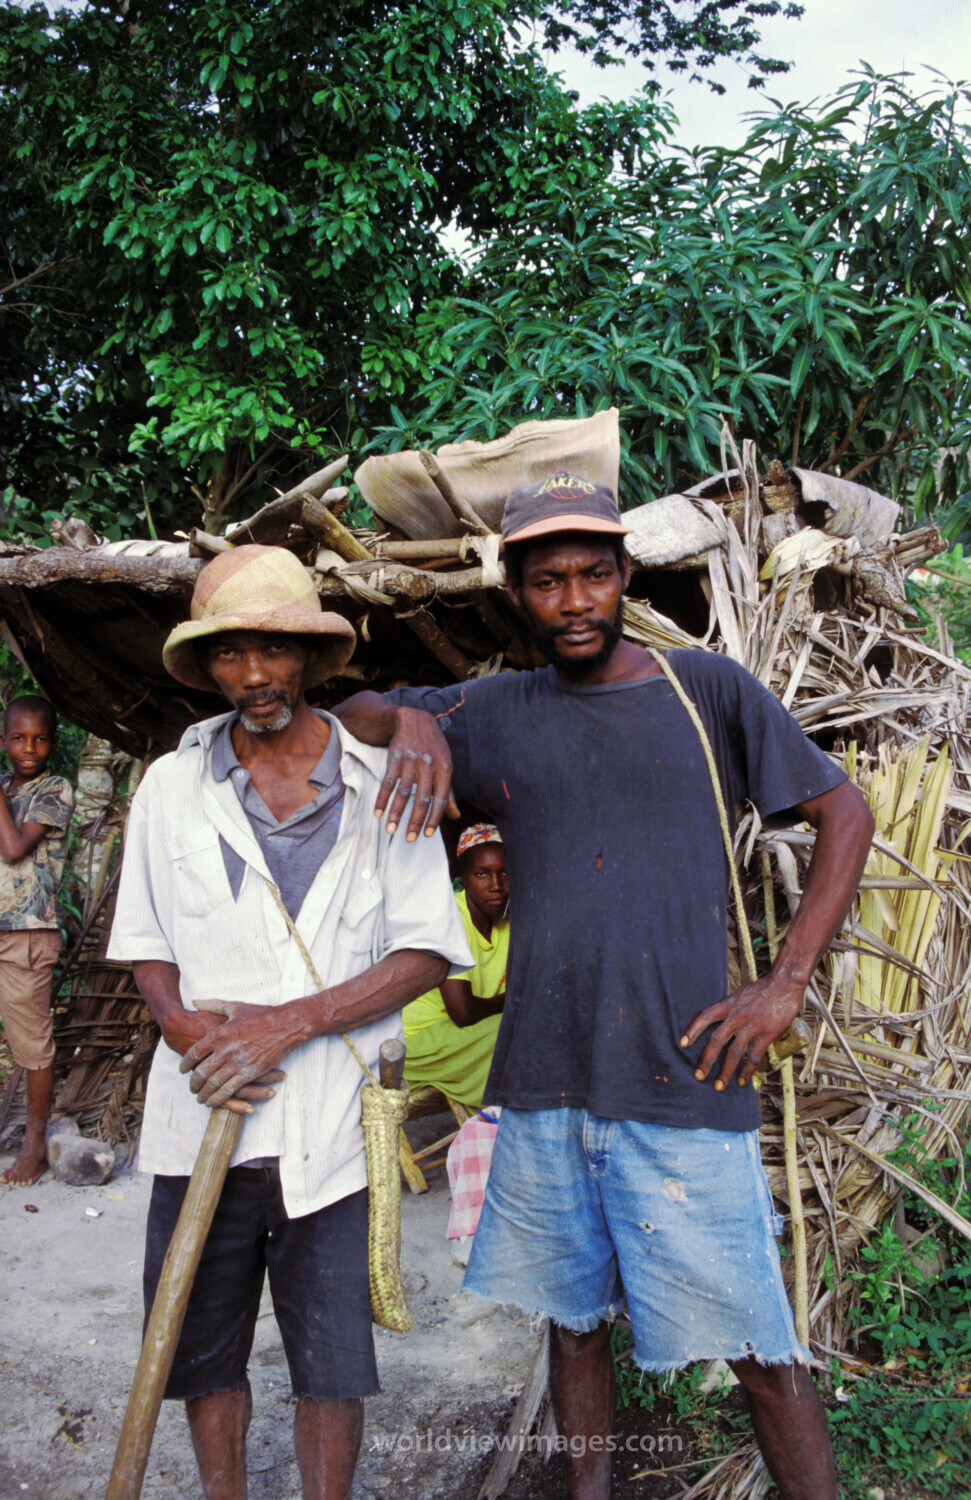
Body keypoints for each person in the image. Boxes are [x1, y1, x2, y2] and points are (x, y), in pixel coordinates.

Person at [334, 471, 876, 1500]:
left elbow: (841, 814)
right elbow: (353, 708)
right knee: (571, 1328)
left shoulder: (704, 690)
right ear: (515, 594)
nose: (573, 600)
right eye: (547, 582)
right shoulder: (493, 709)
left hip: (684, 1077)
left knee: (760, 1350)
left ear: (624, 576)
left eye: (592, 575)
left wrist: (782, 985)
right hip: (543, 1085)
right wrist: (409, 722)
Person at [107, 544, 471, 1500]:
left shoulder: (382, 782)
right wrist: (187, 1030)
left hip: (331, 1126)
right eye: (232, 655)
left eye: (275, 651)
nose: (255, 676)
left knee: (332, 1364)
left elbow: (427, 949)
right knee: (199, 1349)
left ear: (311, 657)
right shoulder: (168, 788)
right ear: (208, 665)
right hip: (202, 1117)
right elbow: (145, 942)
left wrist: (288, 1023)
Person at [0, 695, 74, 1188]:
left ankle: (34, 1146)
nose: (30, 747)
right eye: (19, 738)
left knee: (32, 1046)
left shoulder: (55, 789)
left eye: (40, 737)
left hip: (27, 934)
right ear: (3, 741)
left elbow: (14, 849)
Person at [402, 823, 509, 1109]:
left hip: (463, 1037)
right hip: (418, 1045)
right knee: (513, 1031)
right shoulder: (449, 917)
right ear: (464, 877)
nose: (496, 885)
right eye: (482, 874)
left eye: (505, 872)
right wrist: (511, 1000)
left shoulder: (509, 922)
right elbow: (462, 1013)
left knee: (528, 1028)